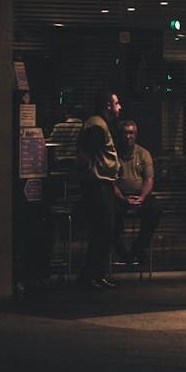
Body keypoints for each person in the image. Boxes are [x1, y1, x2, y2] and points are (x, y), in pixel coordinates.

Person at [75, 90, 121, 289]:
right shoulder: (96, 125)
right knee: (102, 229)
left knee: (104, 230)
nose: (120, 107)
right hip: (97, 185)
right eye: (116, 103)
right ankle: (90, 276)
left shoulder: (99, 124)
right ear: (108, 106)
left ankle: (96, 274)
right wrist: (88, 177)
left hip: (102, 184)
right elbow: (86, 155)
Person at [112, 120, 161, 266]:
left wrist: (142, 197)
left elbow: (149, 179)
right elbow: (109, 181)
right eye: (125, 133)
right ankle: (123, 254)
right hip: (118, 197)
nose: (128, 137)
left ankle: (137, 250)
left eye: (131, 133)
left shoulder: (144, 154)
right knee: (107, 212)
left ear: (136, 135)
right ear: (120, 135)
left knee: (155, 209)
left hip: (140, 196)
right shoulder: (112, 153)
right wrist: (122, 198)